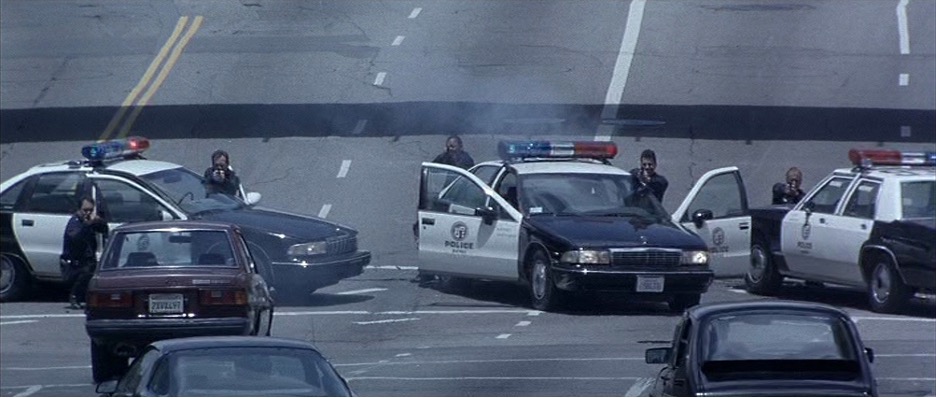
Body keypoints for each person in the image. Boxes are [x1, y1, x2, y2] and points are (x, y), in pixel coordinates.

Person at [61, 196, 108, 309]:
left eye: (90, 210)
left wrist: (98, 222)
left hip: (87, 257)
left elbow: (104, 230)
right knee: (85, 274)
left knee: (91, 273)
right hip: (75, 259)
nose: (88, 213)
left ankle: (85, 298)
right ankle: (74, 297)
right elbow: (74, 237)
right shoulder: (75, 222)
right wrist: (87, 225)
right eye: (85, 210)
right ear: (79, 209)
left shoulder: (88, 221)